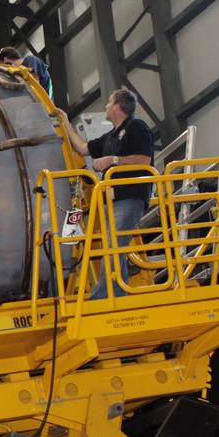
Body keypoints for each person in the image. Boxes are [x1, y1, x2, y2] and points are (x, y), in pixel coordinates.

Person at [63, 88, 154, 299]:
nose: (105, 106)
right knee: (113, 245)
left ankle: (104, 294)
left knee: (114, 244)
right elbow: (83, 148)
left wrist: (112, 160)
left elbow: (144, 159)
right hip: (112, 199)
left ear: (117, 107)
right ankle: (117, 291)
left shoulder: (136, 127)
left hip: (130, 196)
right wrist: (65, 122)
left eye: (108, 102)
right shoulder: (111, 136)